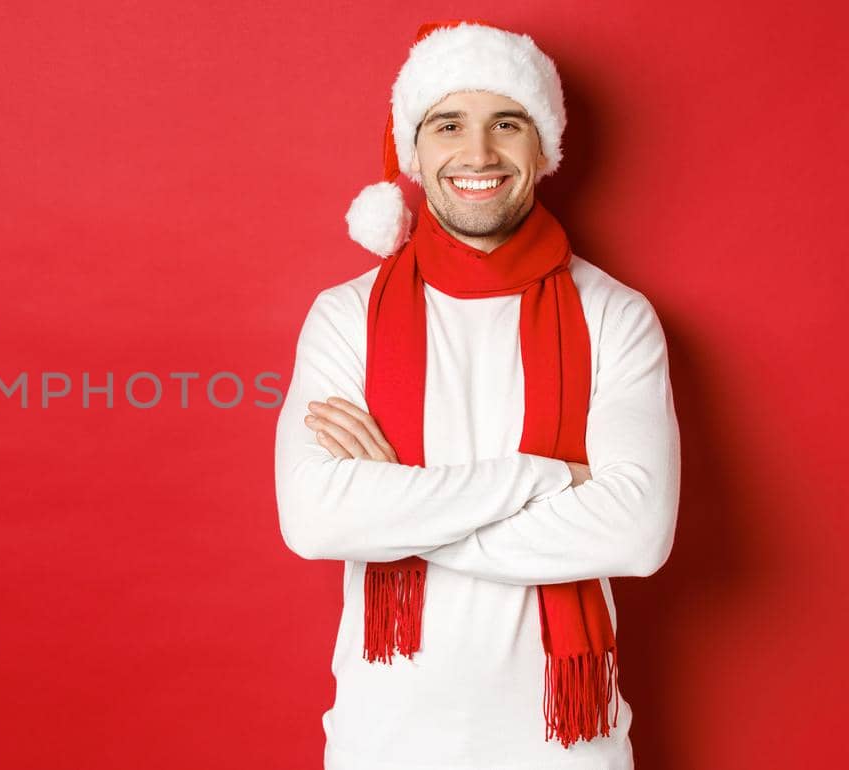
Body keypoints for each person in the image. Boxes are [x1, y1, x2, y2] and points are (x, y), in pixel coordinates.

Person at [272, 19, 681, 770]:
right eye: (448, 124)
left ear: (543, 147)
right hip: (383, 742)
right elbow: (314, 519)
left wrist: (398, 506)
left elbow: (637, 534)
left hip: (569, 747)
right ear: (412, 150)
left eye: (507, 124)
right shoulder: (345, 315)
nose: (478, 154)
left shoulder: (615, 315)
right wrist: (549, 477)